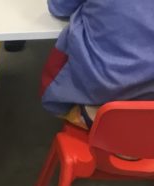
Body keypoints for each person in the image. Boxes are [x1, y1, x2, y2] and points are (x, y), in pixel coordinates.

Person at [41, 0, 154, 129]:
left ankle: (85, 113)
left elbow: (58, 7)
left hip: (98, 96)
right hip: (149, 104)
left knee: (56, 91)